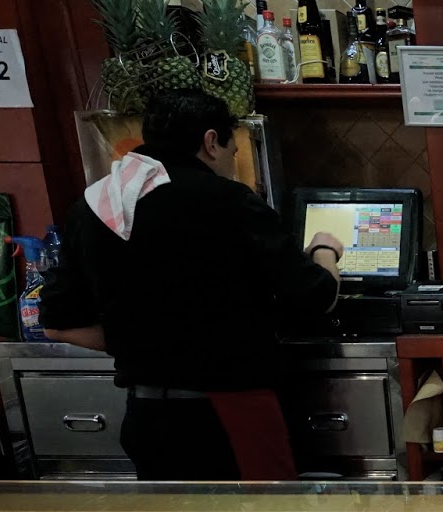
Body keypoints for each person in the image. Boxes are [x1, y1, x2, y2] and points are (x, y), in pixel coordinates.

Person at [42, 88, 344, 481]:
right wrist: (324, 250)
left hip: (148, 419)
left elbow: (58, 324)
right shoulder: (228, 201)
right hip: (232, 414)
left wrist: (144, 344)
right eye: (234, 151)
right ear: (210, 141)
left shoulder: (94, 207)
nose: (234, 163)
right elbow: (318, 296)